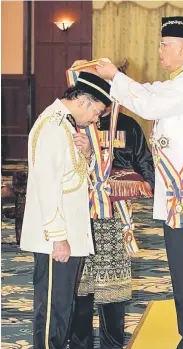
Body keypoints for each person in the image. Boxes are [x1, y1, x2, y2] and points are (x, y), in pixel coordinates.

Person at [95, 16, 183, 349]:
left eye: (164, 44)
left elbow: (149, 102)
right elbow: (152, 93)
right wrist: (117, 82)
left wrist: (116, 77)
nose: (159, 51)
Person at [20, 72, 113, 349]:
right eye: (96, 112)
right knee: (51, 311)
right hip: (56, 239)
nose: (96, 120)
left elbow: (70, 178)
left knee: (63, 307)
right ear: (83, 101)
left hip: (69, 236)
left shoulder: (65, 126)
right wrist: (58, 237)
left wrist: (85, 156)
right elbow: (47, 185)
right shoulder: (51, 126)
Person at [69, 67, 154, 349]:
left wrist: (123, 180)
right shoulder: (73, 123)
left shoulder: (128, 126)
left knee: (113, 291)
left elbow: (146, 171)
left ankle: (112, 344)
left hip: (114, 219)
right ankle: (80, 343)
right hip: (78, 216)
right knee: (79, 289)